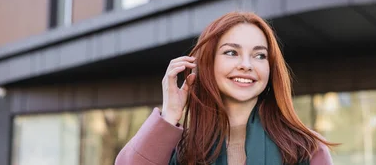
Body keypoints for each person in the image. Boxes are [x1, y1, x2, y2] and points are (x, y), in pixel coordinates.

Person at [115, 11, 336, 165]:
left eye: (259, 55)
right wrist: (170, 114)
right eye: (231, 52)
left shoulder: (305, 149)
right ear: (208, 63)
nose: (246, 65)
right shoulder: (181, 150)